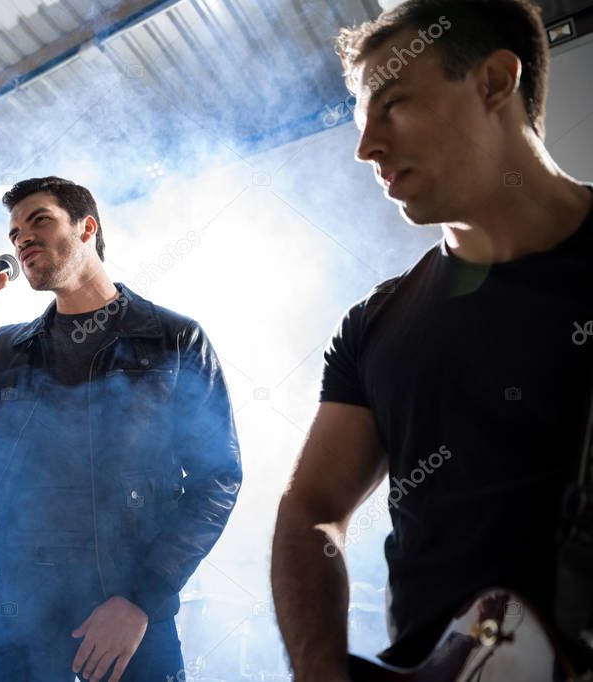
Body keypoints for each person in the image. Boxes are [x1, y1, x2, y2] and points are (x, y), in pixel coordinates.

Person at [270, 0, 593, 678]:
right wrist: (318, 664)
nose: (365, 148)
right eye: (360, 123)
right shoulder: (373, 326)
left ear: (493, 83)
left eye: (392, 106)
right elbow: (312, 506)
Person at [0, 176, 242, 681]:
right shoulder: (13, 348)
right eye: (13, 234)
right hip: (17, 613)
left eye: (39, 221)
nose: (21, 241)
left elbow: (218, 478)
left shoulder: (171, 338)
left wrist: (139, 600)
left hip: (125, 613)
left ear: (86, 228)